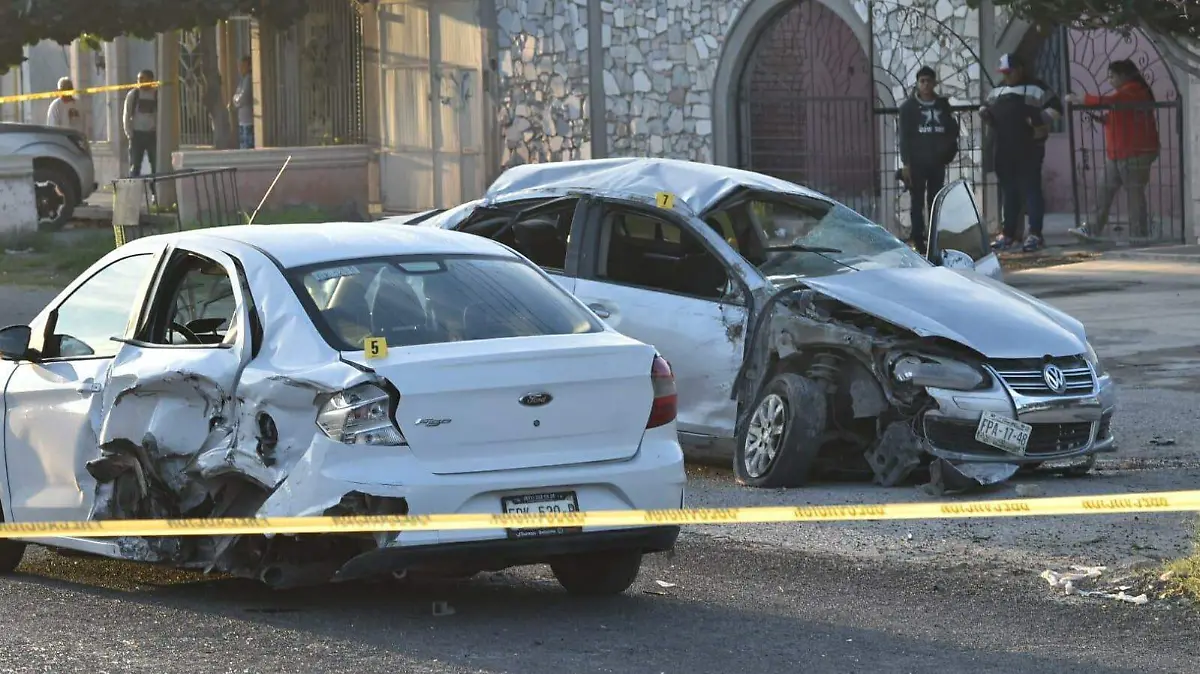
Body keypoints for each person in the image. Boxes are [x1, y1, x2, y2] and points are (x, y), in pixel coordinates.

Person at [1064, 59, 1161, 242]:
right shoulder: (1126, 93)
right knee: (1103, 192)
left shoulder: (1134, 91)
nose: (1110, 81)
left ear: (1124, 75)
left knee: (1134, 196)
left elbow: (1111, 101)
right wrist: (1104, 119)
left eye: (1112, 76)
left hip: (1135, 153)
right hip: (1117, 153)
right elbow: (1121, 115)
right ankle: (1091, 229)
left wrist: (1082, 99)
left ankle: (1138, 234)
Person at [980, 53, 1063, 253]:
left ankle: (1035, 233)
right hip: (1004, 149)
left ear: (1020, 69)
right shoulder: (997, 90)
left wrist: (1036, 122)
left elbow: (1056, 108)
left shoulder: (1037, 87)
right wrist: (986, 114)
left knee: (1031, 190)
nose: (1007, 76)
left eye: (1010, 72)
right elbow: (986, 107)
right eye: (1004, 73)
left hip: (1029, 148)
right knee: (1009, 193)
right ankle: (1009, 234)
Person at [898, 66, 959, 252]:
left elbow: (952, 130)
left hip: (937, 161)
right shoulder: (908, 108)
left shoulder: (942, 105)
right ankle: (918, 238)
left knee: (935, 200)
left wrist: (947, 150)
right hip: (917, 163)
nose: (925, 85)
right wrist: (906, 163)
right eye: (922, 81)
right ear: (917, 83)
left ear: (934, 83)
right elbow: (904, 137)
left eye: (928, 81)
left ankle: (935, 236)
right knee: (917, 201)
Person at [123, 69, 159, 177]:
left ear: (151, 80)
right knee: (135, 166)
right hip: (137, 135)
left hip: (152, 134)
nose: (139, 81)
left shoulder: (157, 94)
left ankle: (154, 191)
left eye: (143, 79)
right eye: (139, 79)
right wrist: (129, 133)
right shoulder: (133, 94)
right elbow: (126, 114)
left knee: (156, 166)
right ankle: (135, 190)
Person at [231, 56, 254, 149]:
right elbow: (236, 96)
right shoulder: (243, 80)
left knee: (247, 146)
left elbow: (242, 97)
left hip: (248, 120)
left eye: (243, 66)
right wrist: (236, 99)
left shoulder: (248, 79)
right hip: (242, 120)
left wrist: (236, 100)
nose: (241, 69)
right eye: (240, 66)